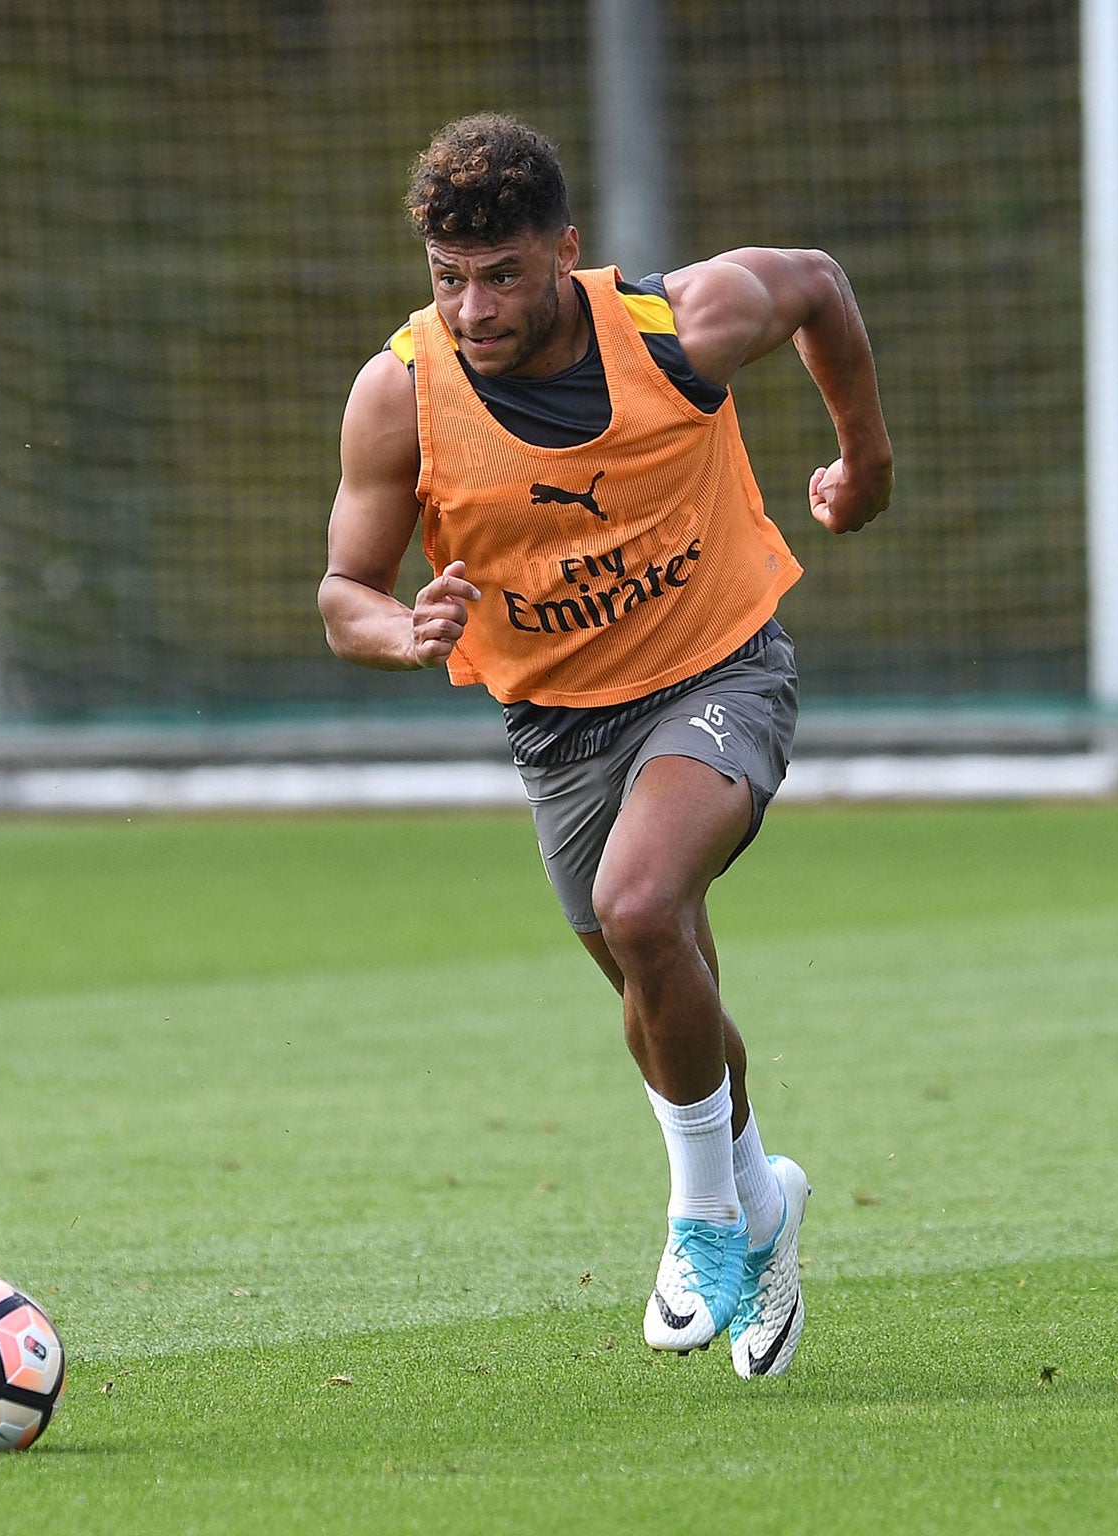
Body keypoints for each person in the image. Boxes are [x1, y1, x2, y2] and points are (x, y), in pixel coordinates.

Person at [317, 113, 893, 1378]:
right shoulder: (398, 391)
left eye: (503, 275)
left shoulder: (675, 329)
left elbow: (816, 285)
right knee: (660, 990)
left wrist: (864, 462)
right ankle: (759, 1200)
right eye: (447, 279)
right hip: (557, 731)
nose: (472, 308)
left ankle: (698, 1221)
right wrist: (400, 631)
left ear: (565, 252)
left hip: (718, 674)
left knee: (640, 908)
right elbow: (341, 591)